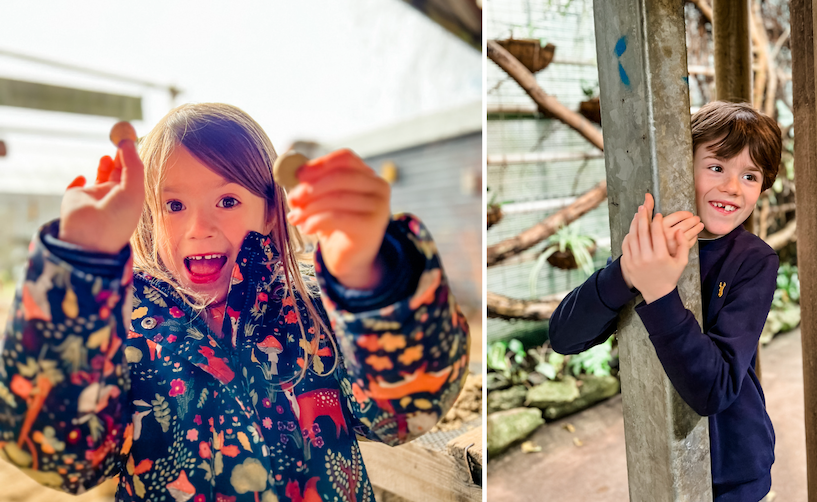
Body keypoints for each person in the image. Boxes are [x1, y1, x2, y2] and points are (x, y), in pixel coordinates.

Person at [0, 103, 469, 502]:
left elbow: (405, 413)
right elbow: (60, 459)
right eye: (174, 205)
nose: (198, 227)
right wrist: (77, 277)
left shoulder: (316, 306)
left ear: (270, 209)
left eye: (227, 200)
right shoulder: (120, 328)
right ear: (147, 214)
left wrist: (370, 276)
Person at [549, 101, 783, 502]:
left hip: (734, 468)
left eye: (750, 175)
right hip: (659, 460)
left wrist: (659, 293)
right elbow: (564, 337)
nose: (732, 187)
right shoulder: (652, 244)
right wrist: (625, 272)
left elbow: (716, 389)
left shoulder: (754, 260)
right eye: (716, 167)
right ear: (681, 163)